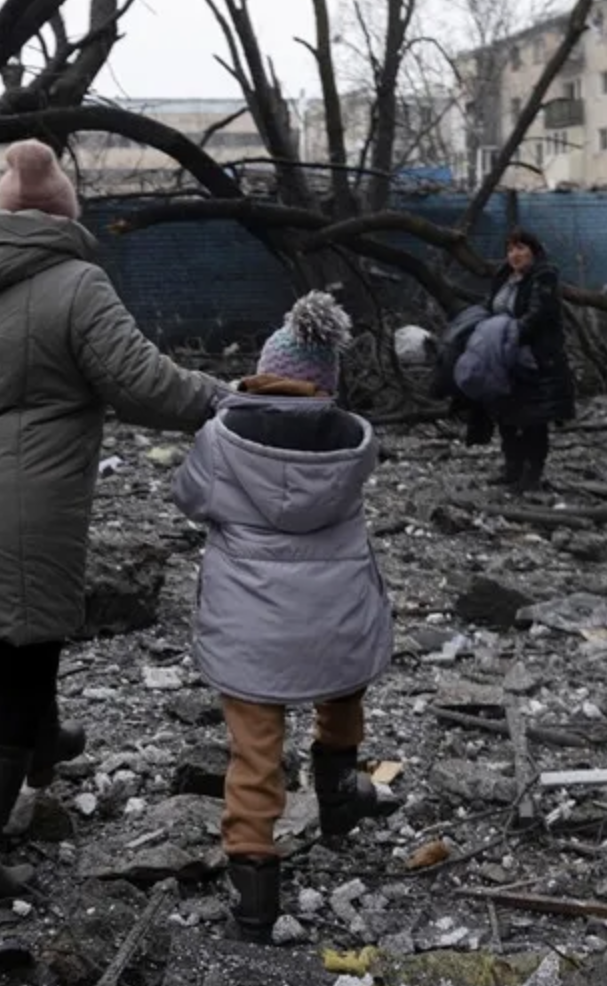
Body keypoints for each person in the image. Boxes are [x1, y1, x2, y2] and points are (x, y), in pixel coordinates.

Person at [0, 140, 224, 907]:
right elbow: (147, 387)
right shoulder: (75, 283)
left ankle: (42, 746)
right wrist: (231, 399)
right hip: (20, 507)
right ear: (62, 215)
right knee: (18, 666)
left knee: (11, 635)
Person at [171, 292, 395, 944]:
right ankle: (339, 802)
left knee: (255, 751)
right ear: (327, 382)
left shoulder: (220, 440)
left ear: (263, 371)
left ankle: (254, 902)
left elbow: (188, 497)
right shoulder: (355, 442)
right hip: (336, 615)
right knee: (342, 695)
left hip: (251, 626)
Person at [484, 228, 575, 491]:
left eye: (521, 248)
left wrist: (507, 334)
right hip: (505, 357)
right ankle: (512, 467)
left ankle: (532, 474)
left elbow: (537, 316)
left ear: (534, 251)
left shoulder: (544, 277)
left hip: (537, 360)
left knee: (534, 418)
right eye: (510, 249)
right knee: (505, 414)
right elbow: (490, 306)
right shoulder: (504, 276)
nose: (515, 254)